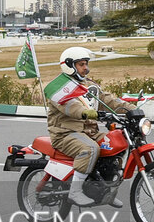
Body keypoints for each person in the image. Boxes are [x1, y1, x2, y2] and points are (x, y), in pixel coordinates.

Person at [46, 46, 131, 206]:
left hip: (90, 132)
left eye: (86, 64)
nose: (86, 68)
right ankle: (74, 192)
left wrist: (133, 110)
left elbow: (108, 101)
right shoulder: (60, 88)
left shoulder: (88, 85)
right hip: (65, 133)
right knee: (90, 149)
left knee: (117, 144)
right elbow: (71, 107)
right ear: (70, 65)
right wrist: (88, 113)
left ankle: (107, 192)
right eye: (81, 64)